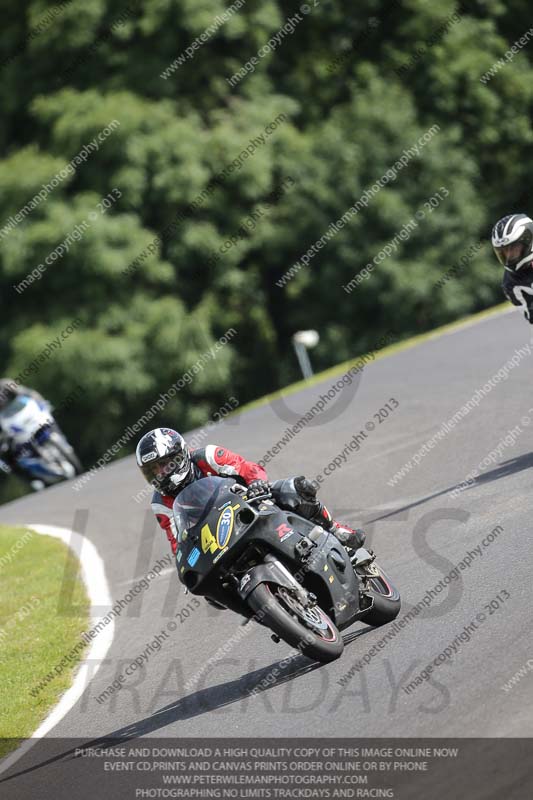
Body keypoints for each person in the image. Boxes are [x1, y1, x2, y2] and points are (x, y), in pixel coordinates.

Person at [135, 428, 366, 561]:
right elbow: (177, 541)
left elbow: (247, 468)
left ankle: (335, 529)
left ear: (179, 456)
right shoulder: (160, 503)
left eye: (163, 464)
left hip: (252, 501)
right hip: (218, 536)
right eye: (152, 470)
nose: (160, 473)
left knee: (296, 488)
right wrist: (187, 563)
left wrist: (256, 484)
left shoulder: (207, 456)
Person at [0, 378, 50, 487]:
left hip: (26, 415)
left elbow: (28, 393)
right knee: (3, 461)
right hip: (10, 428)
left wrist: (40, 401)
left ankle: (63, 441)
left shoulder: (5, 384)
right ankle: (32, 480)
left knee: (48, 418)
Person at [492, 213, 533, 321]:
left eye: (514, 249)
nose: (509, 256)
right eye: (504, 252)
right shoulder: (511, 283)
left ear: (529, 240)